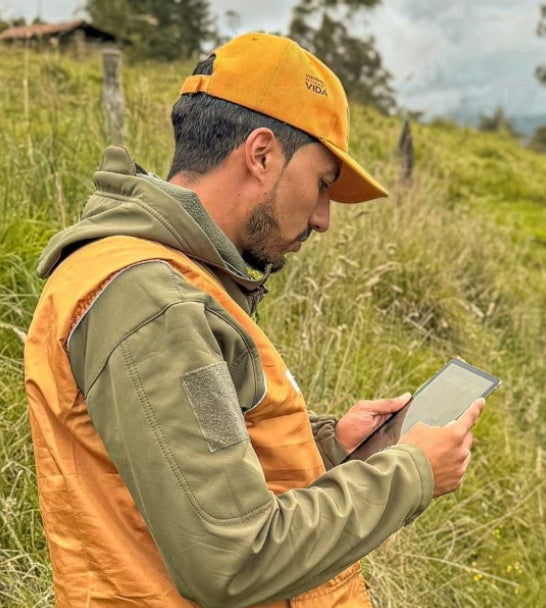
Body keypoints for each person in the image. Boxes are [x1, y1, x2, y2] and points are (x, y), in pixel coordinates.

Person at [23, 33, 483, 607]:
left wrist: (329, 448)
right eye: (322, 185)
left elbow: (199, 464)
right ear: (261, 154)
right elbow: (233, 558)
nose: (323, 220)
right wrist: (412, 473)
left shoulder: (171, 280)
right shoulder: (148, 301)